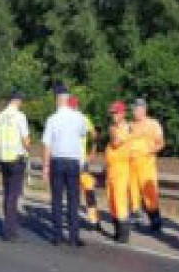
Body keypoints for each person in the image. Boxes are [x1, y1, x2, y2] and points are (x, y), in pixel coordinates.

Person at [42, 84, 89, 248]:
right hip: (73, 162)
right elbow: (83, 134)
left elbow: (47, 145)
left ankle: (57, 236)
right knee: (73, 200)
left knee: (56, 199)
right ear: (68, 99)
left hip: (57, 161)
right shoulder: (79, 117)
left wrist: (45, 167)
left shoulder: (52, 119)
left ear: (57, 99)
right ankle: (74, 237)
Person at [0, 89, 31, 242]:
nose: (21, 103)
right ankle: (10, 231)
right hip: (16, 158)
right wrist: (28, 148)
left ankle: (7, 226)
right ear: (17, 101)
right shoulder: (19, 116)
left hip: (3, 159)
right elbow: (26, 140)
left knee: (7, 193)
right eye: (21, 101)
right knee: (13, 196)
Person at [128, 98, 164, 233]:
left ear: (144, 109)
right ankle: (136, 220)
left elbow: (161, 143)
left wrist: (149, 151)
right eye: (133, 109)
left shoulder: (153, 124)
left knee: (150, 193)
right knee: (132, 193)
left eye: (136, 109)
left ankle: (156, 221)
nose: (134, 111)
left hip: (146, 164)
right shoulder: (130, 125)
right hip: (131, 165)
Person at [104, 101, 133, 243]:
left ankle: (123, 234)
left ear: (123, 113)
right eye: (112, 113)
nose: (113, 116)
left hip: (122, 169)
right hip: (111, 169)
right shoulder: (114, 128)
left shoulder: (126, 127)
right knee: (112, 200)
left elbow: (115, 142)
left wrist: (112, 131)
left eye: (116, 113)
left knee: (120, 200)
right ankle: (117, 230)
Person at [70, 96, 101, 230]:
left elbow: (94, 135)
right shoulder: (84, 119)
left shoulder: (69, 120)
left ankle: (75, 219)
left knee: (76, 191)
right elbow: (95, 135)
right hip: (80, 161)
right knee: (88, 190)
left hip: (72, 161)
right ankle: (93, 220)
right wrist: (93, 151)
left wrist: (92, 152)